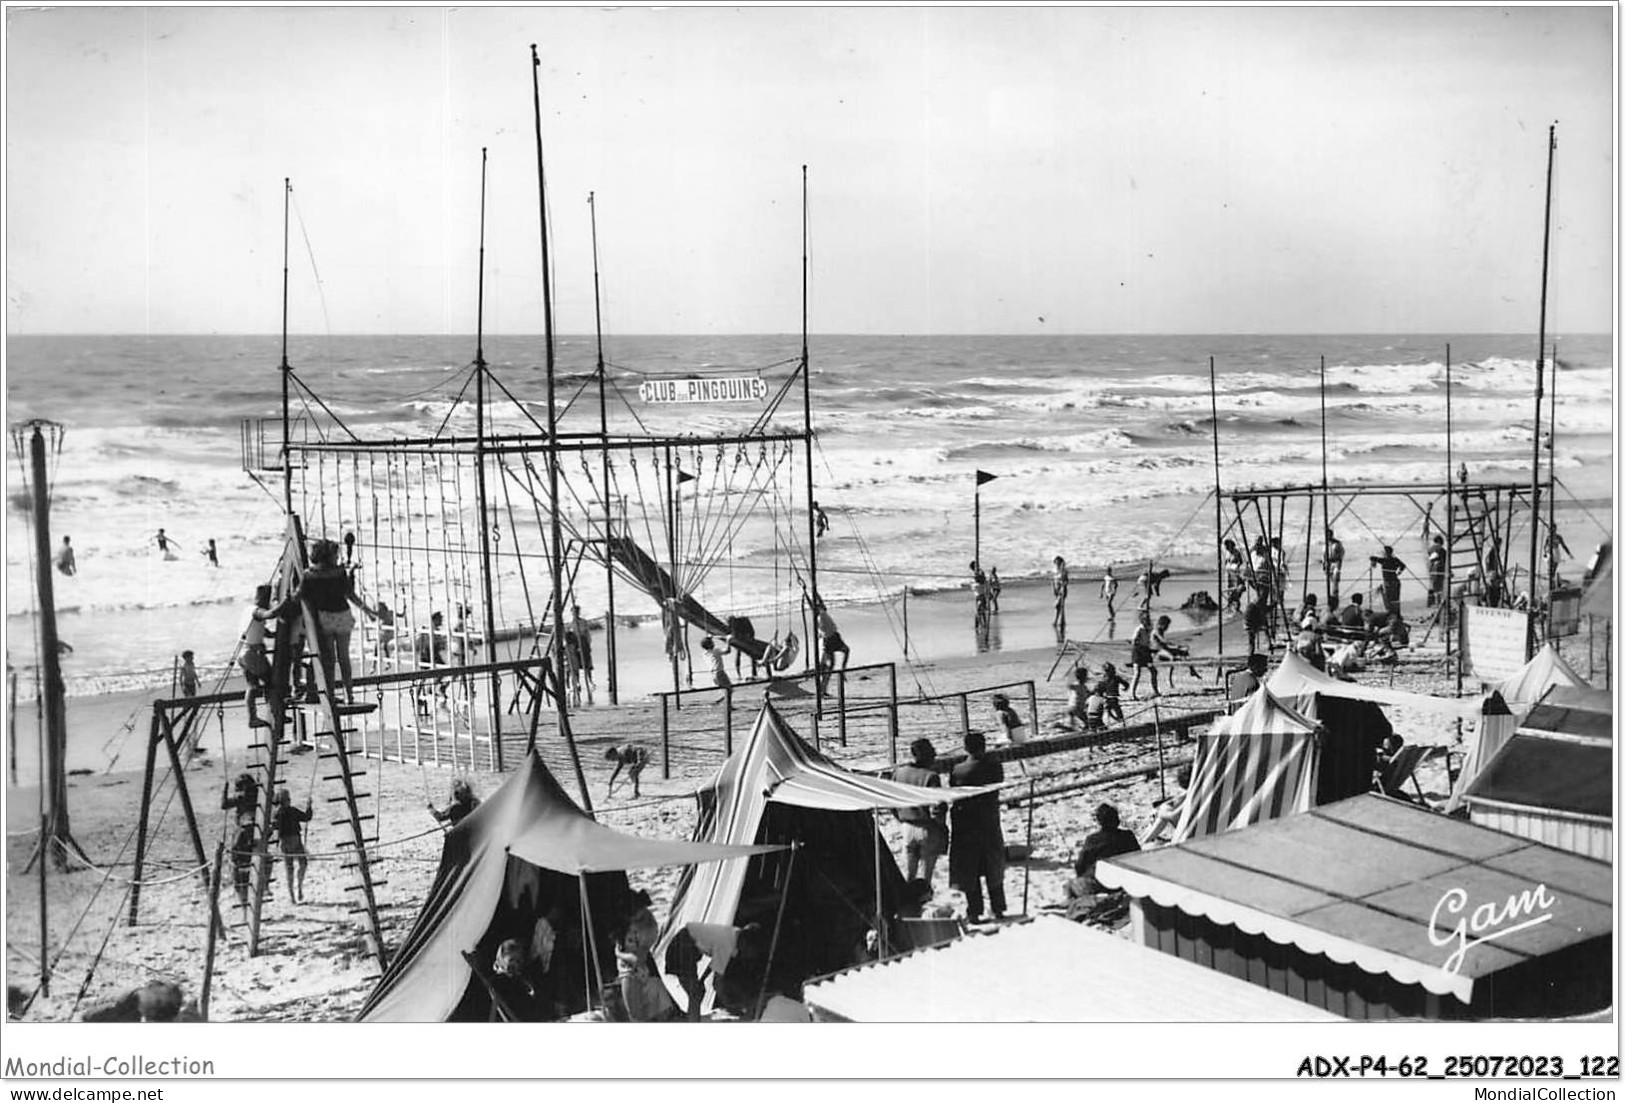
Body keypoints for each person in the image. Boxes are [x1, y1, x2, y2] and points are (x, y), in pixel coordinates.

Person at [258, 538, 377, 705]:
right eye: (335, 554)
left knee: (328, 659)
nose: (337, 557)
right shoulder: (339, 572)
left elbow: (297, 596)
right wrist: (369, 611)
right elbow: (351, 596)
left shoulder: (309, 575)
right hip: (343, 615)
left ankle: (329, 694)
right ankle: (349, 695)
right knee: (344, 657)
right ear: (329, 556)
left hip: (325, 618)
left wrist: (283, 597)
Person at [949, 731, 1005, 924]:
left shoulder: (958, 770)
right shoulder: (993, 766)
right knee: (993, 866)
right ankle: (998, 908)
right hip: (988, 821)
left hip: (966, 824)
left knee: (969, 869)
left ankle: (974, 911)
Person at [893, 738, 948, 885]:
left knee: (909, 875)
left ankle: (909, 905)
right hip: (927, 827)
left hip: (907, 827)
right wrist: (941, 826)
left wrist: (900, 817)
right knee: (925, 877)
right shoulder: (930, 776)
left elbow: (892, 802)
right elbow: (937, 807)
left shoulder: (899, 773)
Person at [1071, 803, 1140, 897]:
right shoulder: (1128, 836)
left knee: (1072, 885)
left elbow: (1080, 865)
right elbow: (1138, 857)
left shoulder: (1093, 839)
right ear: (1117, 820)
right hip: (1126, 881)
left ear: (1100, 822)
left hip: (1102, 884)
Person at [240, 586, 273, 729]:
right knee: (271, 681)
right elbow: (268, 615)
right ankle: (275, 712)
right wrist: (284, 605)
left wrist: (273, 635)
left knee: (252, 686)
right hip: (252, 653)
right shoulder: (257, 611)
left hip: (243, 652)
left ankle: (252, 718)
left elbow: (260, 629)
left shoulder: (248, 610)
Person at [271, 788, 312, 905]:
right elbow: (306, 817)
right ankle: (293, 895)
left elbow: (306, 817)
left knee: (300, 866)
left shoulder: (289, 811)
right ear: (282, 801)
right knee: (292, 869)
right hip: (289, 843)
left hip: (293, 842)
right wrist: (309, 807)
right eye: (287, 799)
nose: (289, 801)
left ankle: (298, 889)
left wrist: (309, 806)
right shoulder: (279, 813)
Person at [814, 599, 849, 678]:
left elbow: (820, 601)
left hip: (833, 637)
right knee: (832, 663)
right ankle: (829, 676)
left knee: (844, 653)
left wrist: (815, 593)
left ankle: (841, 671)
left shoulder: (822, 614)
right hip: (830, 639)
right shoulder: (820, 615)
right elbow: (818, 603)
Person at [1369, 545, 1408, 615]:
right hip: (1395, 581)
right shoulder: (1395, 559)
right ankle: (1397, 614)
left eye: (1383, 552)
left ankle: (1392, 614)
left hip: (1389, 583)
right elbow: (1403, 566)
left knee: (1389, 600)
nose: (1382, 553)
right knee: (1396, 599)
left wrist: (1373, 559)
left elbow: (1372, 558)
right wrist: (1399, 572)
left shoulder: (1384, 561)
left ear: (1386, 553)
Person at [1128, 611, 1158, 700]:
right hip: (1138, 652)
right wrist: (1139, 645)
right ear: (1142, 620)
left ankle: (1156, 691)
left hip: (1146, 651)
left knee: (1153, 671)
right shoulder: (1139, 629)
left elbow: (1150, 638)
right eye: (1145, 619)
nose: (1147, 620)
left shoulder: (1149, 628)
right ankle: (1132, 694)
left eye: (1148, 619)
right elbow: (1134, 641)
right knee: (1137, 673)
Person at [569, 605, 596, 704]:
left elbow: (587, 634)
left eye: (576, 612)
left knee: (587, 664)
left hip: (584, 644)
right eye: (573, 612)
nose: (575, 614)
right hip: (575, 645)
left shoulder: (583, 622)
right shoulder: (571, 624)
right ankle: (577, 682)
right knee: (575, 665)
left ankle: (590, 681)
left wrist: (588, 644)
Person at [229, 821, 257, 914]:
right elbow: (236, 847)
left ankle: (245, 910)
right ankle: (245, 910)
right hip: (240, 862)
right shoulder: (242, 833)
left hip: (243, 862)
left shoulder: (242, 832)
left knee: (243, 886)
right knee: (242, 886)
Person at [1222, 540, 1247, 610]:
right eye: (1225, 546)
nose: (1226, 547)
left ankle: (1236, 605)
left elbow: (1241, 561)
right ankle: (1230, 604)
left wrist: (1236, 565)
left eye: (1227, 546)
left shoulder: (1236, 552)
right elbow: (1225, 561)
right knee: (1228, 588)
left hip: (1235, 572)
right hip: (1228, 572)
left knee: (1235, 589)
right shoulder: (1227, 552)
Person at [1323, 529, 1345, 608]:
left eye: (1329, 535)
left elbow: (1342, 553)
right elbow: (1324, 555)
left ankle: (1335, 599)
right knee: (1330, 580)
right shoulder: (1326, 544)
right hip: (1328, 563)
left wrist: (1339, 562)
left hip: (1336, 562)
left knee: (1335, 581)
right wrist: (1324, 564)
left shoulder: (1337, 543)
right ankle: (1331, 599)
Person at [1426, 536, 1447, 607]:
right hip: (1440, 569)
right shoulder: (1442, 550)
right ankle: (1438, 602)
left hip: (1431, 569)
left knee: (1432, 585)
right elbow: (1445, 561)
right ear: (1439, 541)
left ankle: (1430, 602)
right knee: (1439, 586)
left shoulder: (1430, 549)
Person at [1051, 556, 1069, 629]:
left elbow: (1066, 581)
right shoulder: (1055, 570)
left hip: (1062, 589)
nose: (1056, 564)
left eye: (1058, 562)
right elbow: (1053, 580)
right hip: (1056, 588)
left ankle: (1059, 621)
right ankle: (1060, 621)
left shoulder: (1063, 571)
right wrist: (1054, 589)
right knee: (1059, 607)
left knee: (1058, 605)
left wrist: (1062, 588)